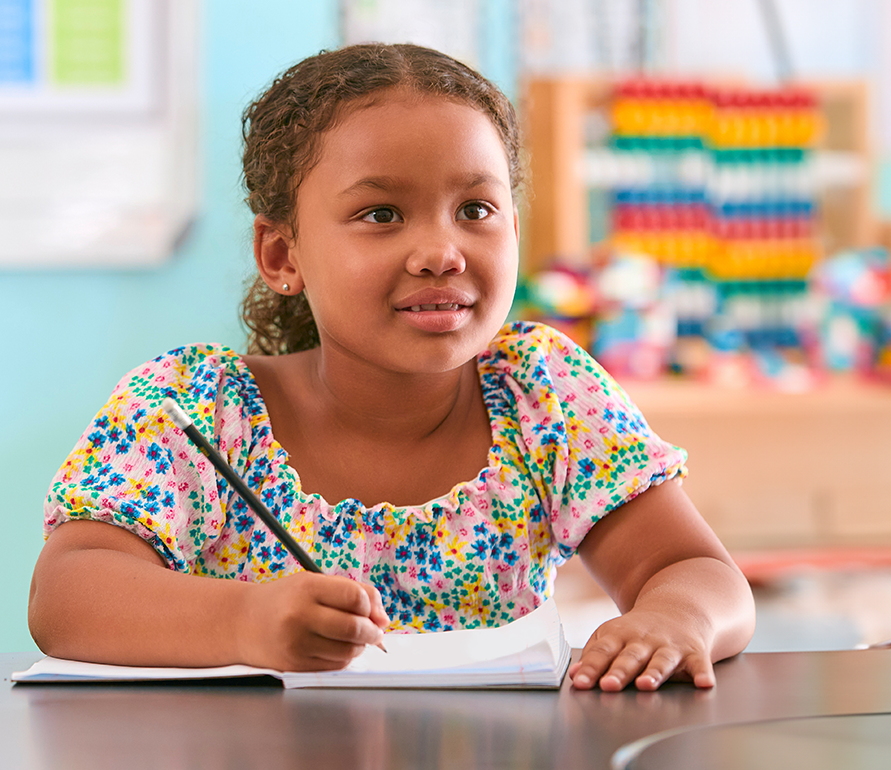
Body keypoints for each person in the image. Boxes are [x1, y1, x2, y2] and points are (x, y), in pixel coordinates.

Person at [28, 43, 754, 691]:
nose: (443, 250)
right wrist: (243, 619)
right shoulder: (192, 407)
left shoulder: (543, 392)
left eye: (475, 209)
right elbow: (67, 595)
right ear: (283, 256)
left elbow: (698, 574)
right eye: (381, 214)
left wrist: (675, 619)